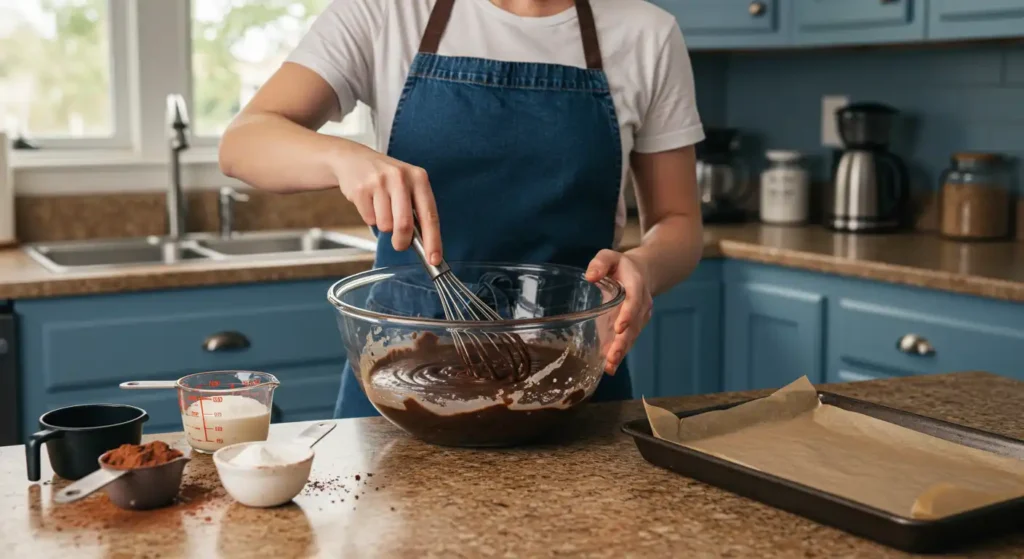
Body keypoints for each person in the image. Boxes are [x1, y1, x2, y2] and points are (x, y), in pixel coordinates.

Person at [218, 0, 705, 419]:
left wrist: (643, 267)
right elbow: (243, 143)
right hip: (397, 391)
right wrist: (342, 156)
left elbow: (679, 224)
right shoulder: (389, 12)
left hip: (574, 383)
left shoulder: (647, 35)